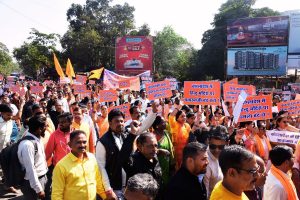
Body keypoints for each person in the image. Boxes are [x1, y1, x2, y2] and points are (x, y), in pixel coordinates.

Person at [96, 109, 141, 199]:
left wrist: (153, 112)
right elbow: (101, 167)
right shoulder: (103, 142)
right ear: (110, 123)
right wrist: (108, 190)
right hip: (115, 188)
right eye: (117, 121)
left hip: (129, 186)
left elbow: (142, 128)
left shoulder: (126, 135)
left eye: (122, 121)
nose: (120, 124)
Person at [51, 130, 106, 200]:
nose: (82, 145)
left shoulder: (92, 158)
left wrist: (105, 197)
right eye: (78, 142)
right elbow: (56, 194)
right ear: (70, 144)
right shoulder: (61, 166)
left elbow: (98, 182)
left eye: (84, 142)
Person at [17, 115, 48, 200]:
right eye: (45, 126)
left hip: (41, 178)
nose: (47, 128)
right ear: (39, 129)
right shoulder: (27, 145)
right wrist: (38, 189)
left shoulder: (36, 138)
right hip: (33, 183)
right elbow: (30, 169)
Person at [204, 126, 227, 198]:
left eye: (221, 147)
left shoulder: (226, 154)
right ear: (208, 141)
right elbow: (205, 194)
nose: (217, 150)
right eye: (213, 146)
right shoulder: (205, 162)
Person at [152, 115, 174, 187]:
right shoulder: (153, 136)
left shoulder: (166, 133)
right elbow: (150, 150)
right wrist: (160, 151)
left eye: (165, 122)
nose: (165, 123)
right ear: (157, 125)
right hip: (158, 164)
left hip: (167, 164)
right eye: (163, 122)